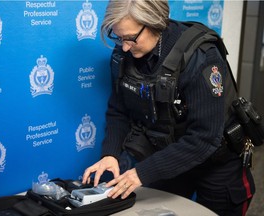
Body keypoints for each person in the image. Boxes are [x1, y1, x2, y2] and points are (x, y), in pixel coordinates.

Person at [82, 0, 255, 215]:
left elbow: (205, 137)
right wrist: (110, 154)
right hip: (168, 158)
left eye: (131, 38)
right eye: (118, 37)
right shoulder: (123, 54)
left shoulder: (201, 57)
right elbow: (119, 110)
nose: (125, 46)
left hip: (216, 164)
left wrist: (141, 174)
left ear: (155, 23)